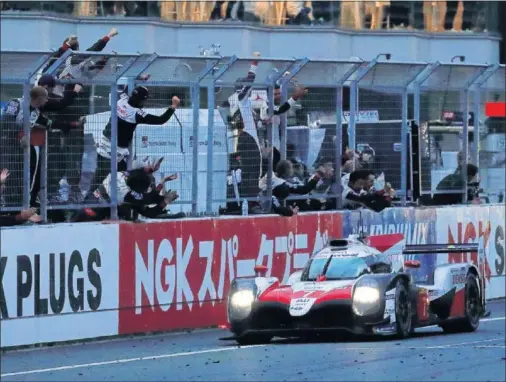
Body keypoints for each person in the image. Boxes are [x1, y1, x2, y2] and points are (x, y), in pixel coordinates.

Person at [89, 84, 180, 199]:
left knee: (117, 173)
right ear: (142, 101)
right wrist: (173, 106)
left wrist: (140, 80)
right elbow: (160, 120)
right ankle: (90, 199)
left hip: (103, 142)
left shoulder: (121, 100)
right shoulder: (136, 114)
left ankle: (102, 199)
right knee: (106, 177)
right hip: (115, 150)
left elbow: (122, 89)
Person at [74, 163, 179, 222]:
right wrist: (165, 199)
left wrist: (150, 170)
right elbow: (148, 203)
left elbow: (137, 171)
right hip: (92, 216)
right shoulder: (126, 194)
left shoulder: (121, 175)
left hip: (87, 206)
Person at [259, 159, 331, 216]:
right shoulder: (274, 188)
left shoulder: (277, 180)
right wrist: (290, 211)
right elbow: (278, 207)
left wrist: (317, 176)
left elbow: (304, 189)